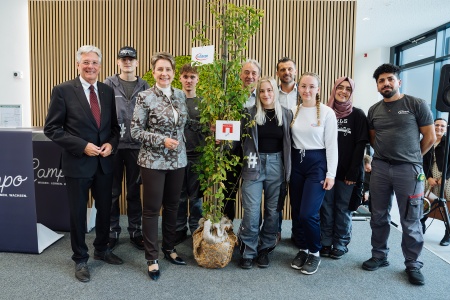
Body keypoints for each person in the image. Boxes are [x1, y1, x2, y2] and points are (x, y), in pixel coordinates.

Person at [44, 45, 123, 283]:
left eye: (95, 62)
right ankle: (80, 258)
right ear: (78, 64)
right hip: (77, 163)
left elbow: (114, 129)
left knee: (105, 210)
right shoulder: (63, 90)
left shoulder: (107, 91)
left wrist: (111, 144)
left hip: (104, 163)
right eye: (86, 62)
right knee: (78, 213)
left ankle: (102, 248)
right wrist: (81, 146)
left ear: (100, 66)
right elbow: (52, 129)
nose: (90, 66)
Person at [364, 63, 435, 286]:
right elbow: (374, 139)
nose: (386, 83)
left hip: (409, 170)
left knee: (410, 219)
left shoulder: (416, 104)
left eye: (390, 79)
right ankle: (379, 255)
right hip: (381, 168)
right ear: (377, 86)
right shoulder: (374, 110)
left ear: (399, 82)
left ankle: (413, 264)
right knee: (378, 214)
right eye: (381, 80)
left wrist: (412, 157)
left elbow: (430, 137)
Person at [131, 52, 188, 281]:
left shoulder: (181, 95)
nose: (164, 73)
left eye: (168, 69)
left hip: (178, 160)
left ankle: (169, 248)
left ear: (174, 73)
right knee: (152, 209)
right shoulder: (145, 97)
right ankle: (152, 257)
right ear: (153, 72)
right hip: (153, 160)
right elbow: (136, 131)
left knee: (173, 206)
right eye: (160, 69)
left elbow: (183, 125)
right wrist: (160, 140)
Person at [237, 77, 292, 269]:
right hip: (253, 163)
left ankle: (265, 249)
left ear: (275, 92)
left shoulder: (286, 114)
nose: (266, 94)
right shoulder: (249, 113)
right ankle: (248, 250)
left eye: (269, 90)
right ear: (257, 93)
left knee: (272, 212)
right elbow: (237, 138)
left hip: (277, 165)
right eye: (262, 91)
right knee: (251, 212)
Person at [289, 72, 338, 275]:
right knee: (297, 210)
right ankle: (303, 248)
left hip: (316, 164)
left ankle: (315, 251)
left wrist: (331, 174)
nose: (307, 90)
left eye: (311, 87)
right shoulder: (293, 110)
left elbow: (332, 146)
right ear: (298, 88)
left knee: (309, 213)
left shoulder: (327, 113)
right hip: (296, 163)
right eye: (303, 86)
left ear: (318, 89)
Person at [104, 46, 150, 250]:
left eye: (131, 59)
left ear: (137, 62)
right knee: (112, 192)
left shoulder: (145, 86)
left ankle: (135, 231)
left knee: (133, 192)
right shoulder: (107, 84)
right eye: (123, 59)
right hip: (113, 146)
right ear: (117, 62)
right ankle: (112, 231)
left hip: (137, 146)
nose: (127, 62)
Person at [320, 77, 369, 259]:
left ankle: (340, 243)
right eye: (340, 87)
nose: (343, 91)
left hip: (348, 172)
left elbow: (360, 144)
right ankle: (325, 241)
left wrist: (353, 171)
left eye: (348, 89)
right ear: (334, 89)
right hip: (327, 171)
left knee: (343, 208)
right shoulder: (324, 112)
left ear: (352, 92)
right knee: (326, 207)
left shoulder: (357, 115)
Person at [174, 64, 204, 245]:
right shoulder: (175, 102)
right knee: (178, 196)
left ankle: (195, 228)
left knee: (196, 198)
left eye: (192, 77)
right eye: (185, 76)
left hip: (197, 156)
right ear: (180, 79)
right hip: (177, 156)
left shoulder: (203, 103)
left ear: (197, 79)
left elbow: (209, 130)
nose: (189, 80)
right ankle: (178, 229)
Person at [422, 118, 450, 246]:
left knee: (448, 205)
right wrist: (429, 178)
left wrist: (444, 177)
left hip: (447, 176)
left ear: (446, 128)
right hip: (431, 176)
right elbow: (424, 161)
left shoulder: (448, 142)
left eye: (442, 126)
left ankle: (448, 234)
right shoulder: (428, 140)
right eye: (437, 125)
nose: (439, 128)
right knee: (426, 200)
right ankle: (420, 224)